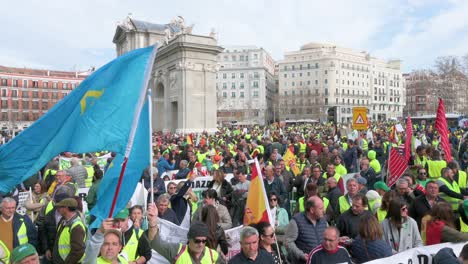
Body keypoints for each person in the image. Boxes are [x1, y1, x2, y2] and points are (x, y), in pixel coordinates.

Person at [147, 203, 222, 264]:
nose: (201, 244)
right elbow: (155, 242)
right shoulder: (177, 251)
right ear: (189, 238)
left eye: (204, 241)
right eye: (197, 241)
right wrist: (153, 222)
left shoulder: (213, 255)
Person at [285, 196, 328, 264]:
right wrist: (301, 255)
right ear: (312, 210)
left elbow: (328, 237)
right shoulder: (296, 221)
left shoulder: (323, 221)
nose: (324, 210)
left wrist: (337, 239)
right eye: (321, 208)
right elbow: (288, 242)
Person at [51, 198, 86, 263]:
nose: (58, 209)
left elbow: (78, 251)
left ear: (66, 208)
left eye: (60, 207)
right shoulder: (63, 222)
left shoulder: (76, 227)